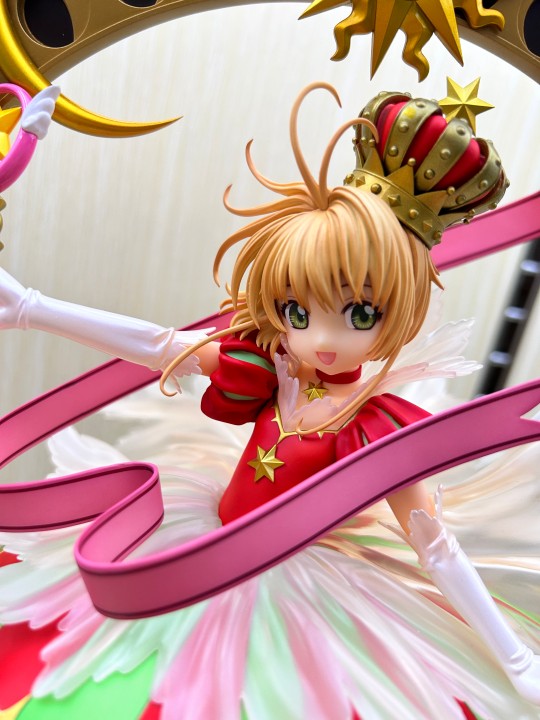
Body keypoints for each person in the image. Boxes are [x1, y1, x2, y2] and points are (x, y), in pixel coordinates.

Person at [0, 82, 538, 720]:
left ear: (399, 310)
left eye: (361, 313)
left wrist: (518, 661)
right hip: (203, 540)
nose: (323, 339)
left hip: (304, 594)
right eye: (297, 311)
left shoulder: (375, 428)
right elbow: (161, 344)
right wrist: (30, 307)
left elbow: (436, 546)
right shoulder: (265, 368)